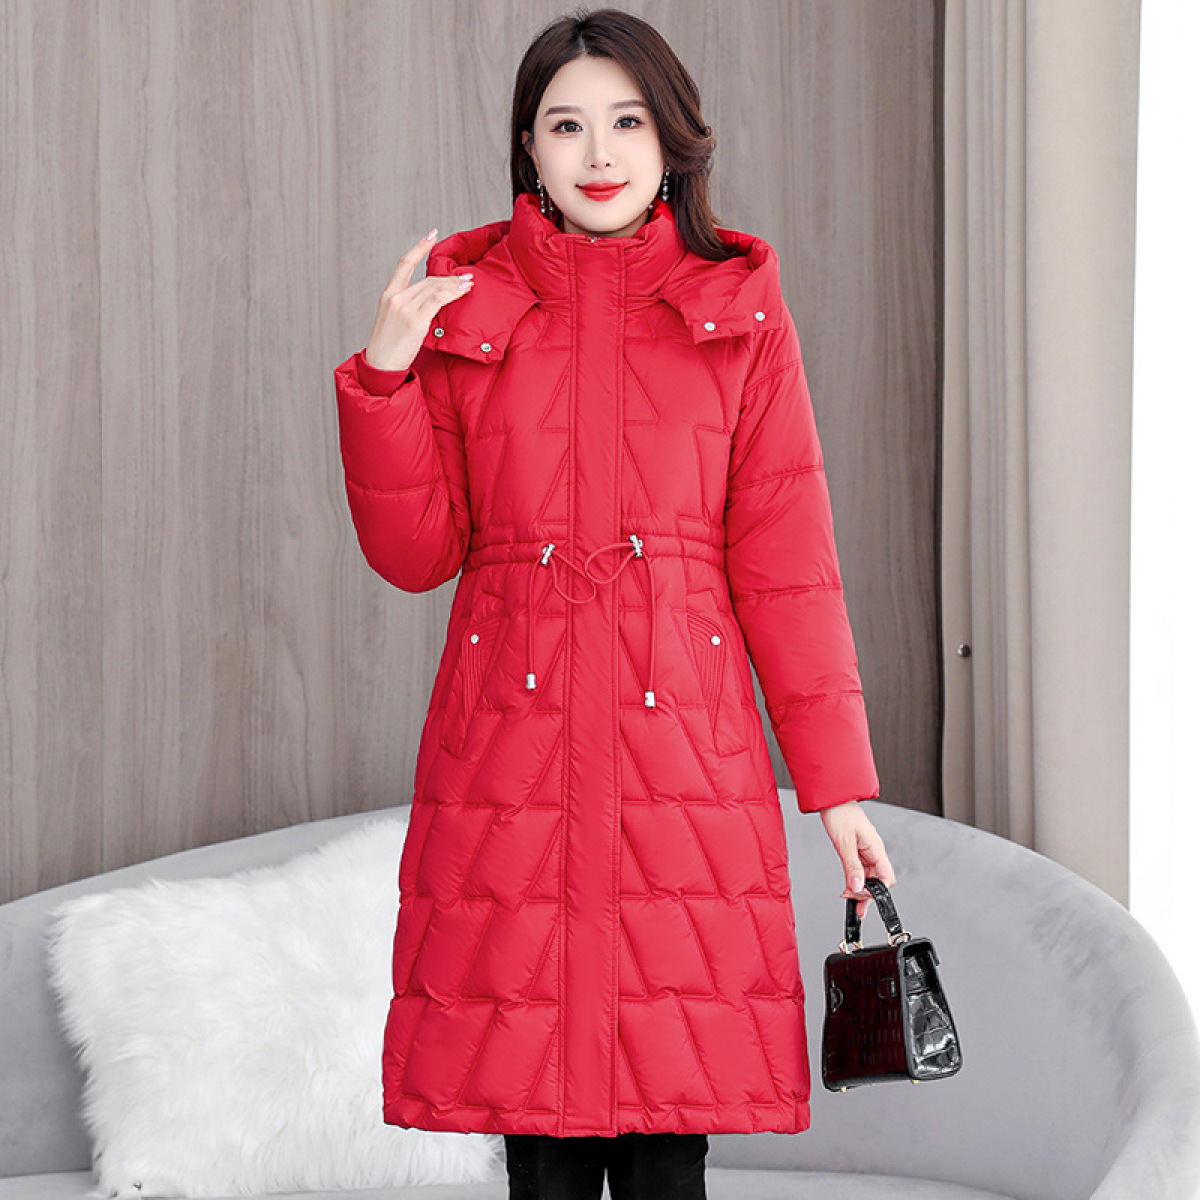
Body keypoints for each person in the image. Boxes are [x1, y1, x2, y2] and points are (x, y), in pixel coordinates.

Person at [332, 8, 896, 1199]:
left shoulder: (738, 314)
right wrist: (383, 377)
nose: (599, 153)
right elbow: (417, 553)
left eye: (627, 122)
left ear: (673, 141)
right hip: (510, 762)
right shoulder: (463, 310)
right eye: (567, 125)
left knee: (666, 1133)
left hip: (684, 761)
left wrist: (837, 786)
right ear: (527, 149)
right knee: (534, 1129)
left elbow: (788, 564)